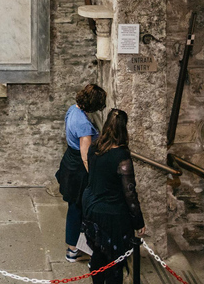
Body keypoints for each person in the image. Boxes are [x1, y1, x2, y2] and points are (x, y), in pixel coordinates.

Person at [81, 108, 146, 284]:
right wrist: (138, 221)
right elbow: (129, 192)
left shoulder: (95, 147)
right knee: (115, 262)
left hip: (91, 208)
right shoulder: (121, 156)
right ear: (123, 128)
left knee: (98, 255)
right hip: (112, 215)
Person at [55, 84, 107, 263]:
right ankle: (73, 250)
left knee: (74, 207)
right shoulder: (84, 126)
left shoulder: (73, 110)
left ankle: (75, 247)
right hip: (78, 169)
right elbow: (86, 157)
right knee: (78, 209)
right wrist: (93, 178)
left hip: (69, 160)